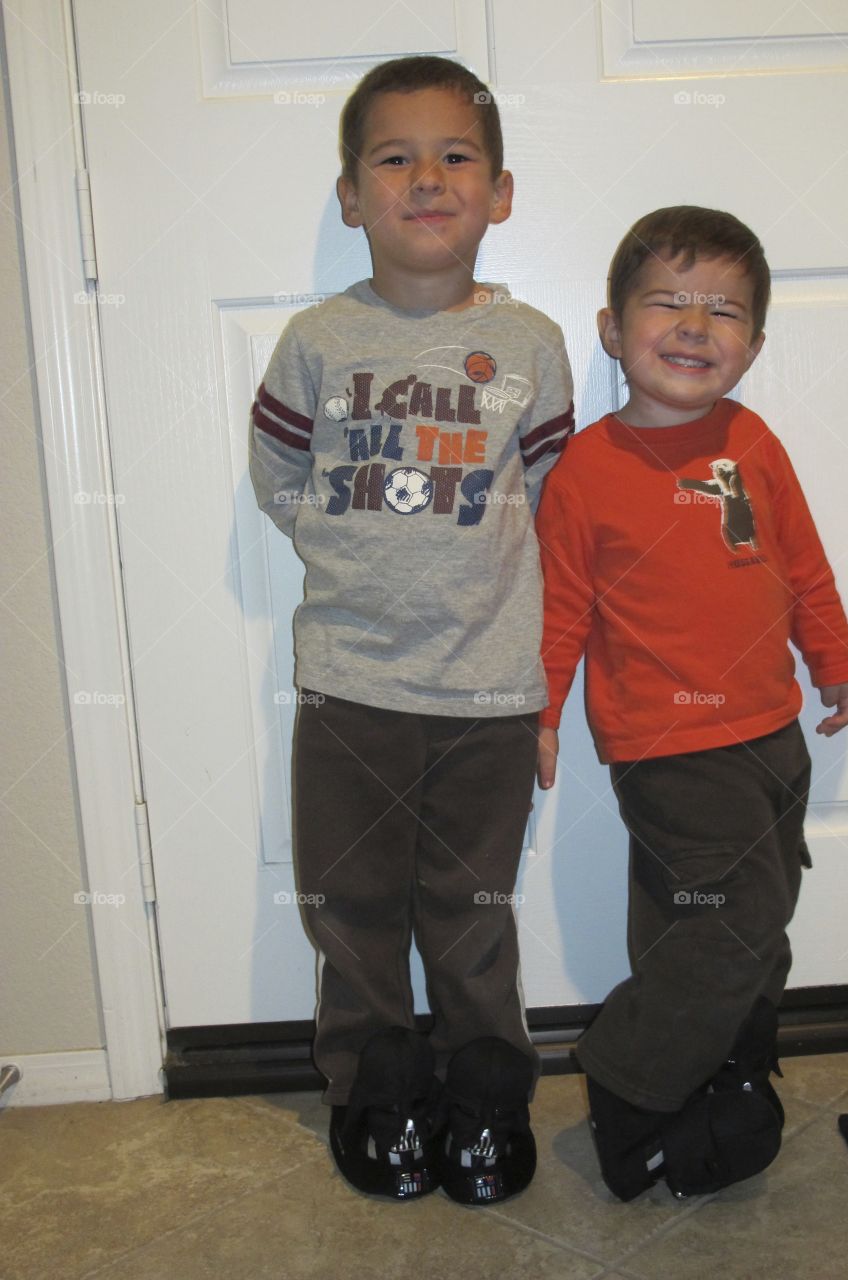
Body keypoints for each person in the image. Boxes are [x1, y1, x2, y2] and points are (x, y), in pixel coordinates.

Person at [249, 55, 574, 1204]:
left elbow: (560, 512)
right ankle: (374, 1088)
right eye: (395, 157)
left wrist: (546, 673)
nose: (427, 177)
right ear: (351, 195)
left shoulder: (532, 345)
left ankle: (486, 1090)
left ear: (501, 192)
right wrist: (348, 553)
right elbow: (281, 476)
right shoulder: (317, 340)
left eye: (456, 157)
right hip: (348, 689)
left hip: (489, 693)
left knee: (472, 915)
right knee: (351, 910)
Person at [535, 206, 848, 1201]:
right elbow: (559, 608)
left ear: (753, 345)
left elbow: (799, 561)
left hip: (771, 729)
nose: (694, 324)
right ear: (610, 327)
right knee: (735, 919)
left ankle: (730, 1061)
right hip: (669, 745)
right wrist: (540, 712)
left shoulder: (752, 441)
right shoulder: (588, 470)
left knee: (727, 917)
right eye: (667, 301)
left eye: (724, 310)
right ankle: (634, 1079)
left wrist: (833, 652)